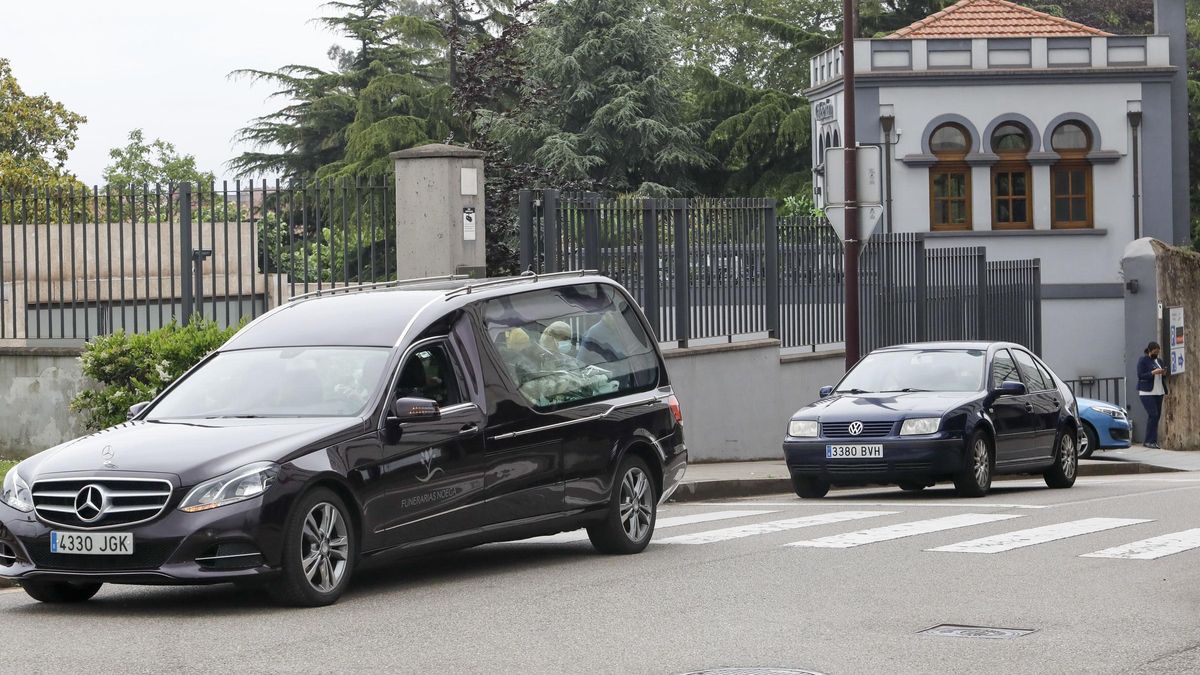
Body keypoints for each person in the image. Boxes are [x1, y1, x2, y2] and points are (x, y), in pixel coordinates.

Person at [1136, 341, 1168, 449]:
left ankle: (1153, 441)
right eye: (1155, 351)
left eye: (1158, 352)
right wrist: (1153, 373)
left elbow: (1163, 374)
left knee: (1157, 416)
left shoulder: (1159, 361)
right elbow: (1140, 375)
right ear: (1149, 350)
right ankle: (1149, 441)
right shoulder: (1143, 360)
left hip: (1159, 391)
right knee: (1153, 414)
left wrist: (1163, 373)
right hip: (1147, 392)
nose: (1156, 353)